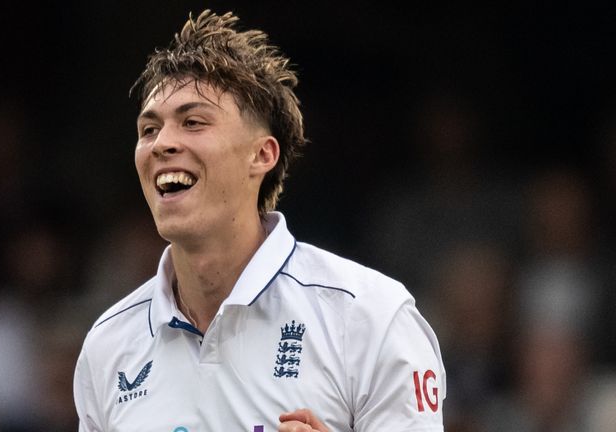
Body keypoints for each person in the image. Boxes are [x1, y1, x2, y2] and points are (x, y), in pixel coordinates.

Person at [74, 10, 446, 432]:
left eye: (193, 122)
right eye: (148, 129)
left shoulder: (370, 317)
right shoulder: (107, 345)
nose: (162, 144)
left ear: (262, 155)